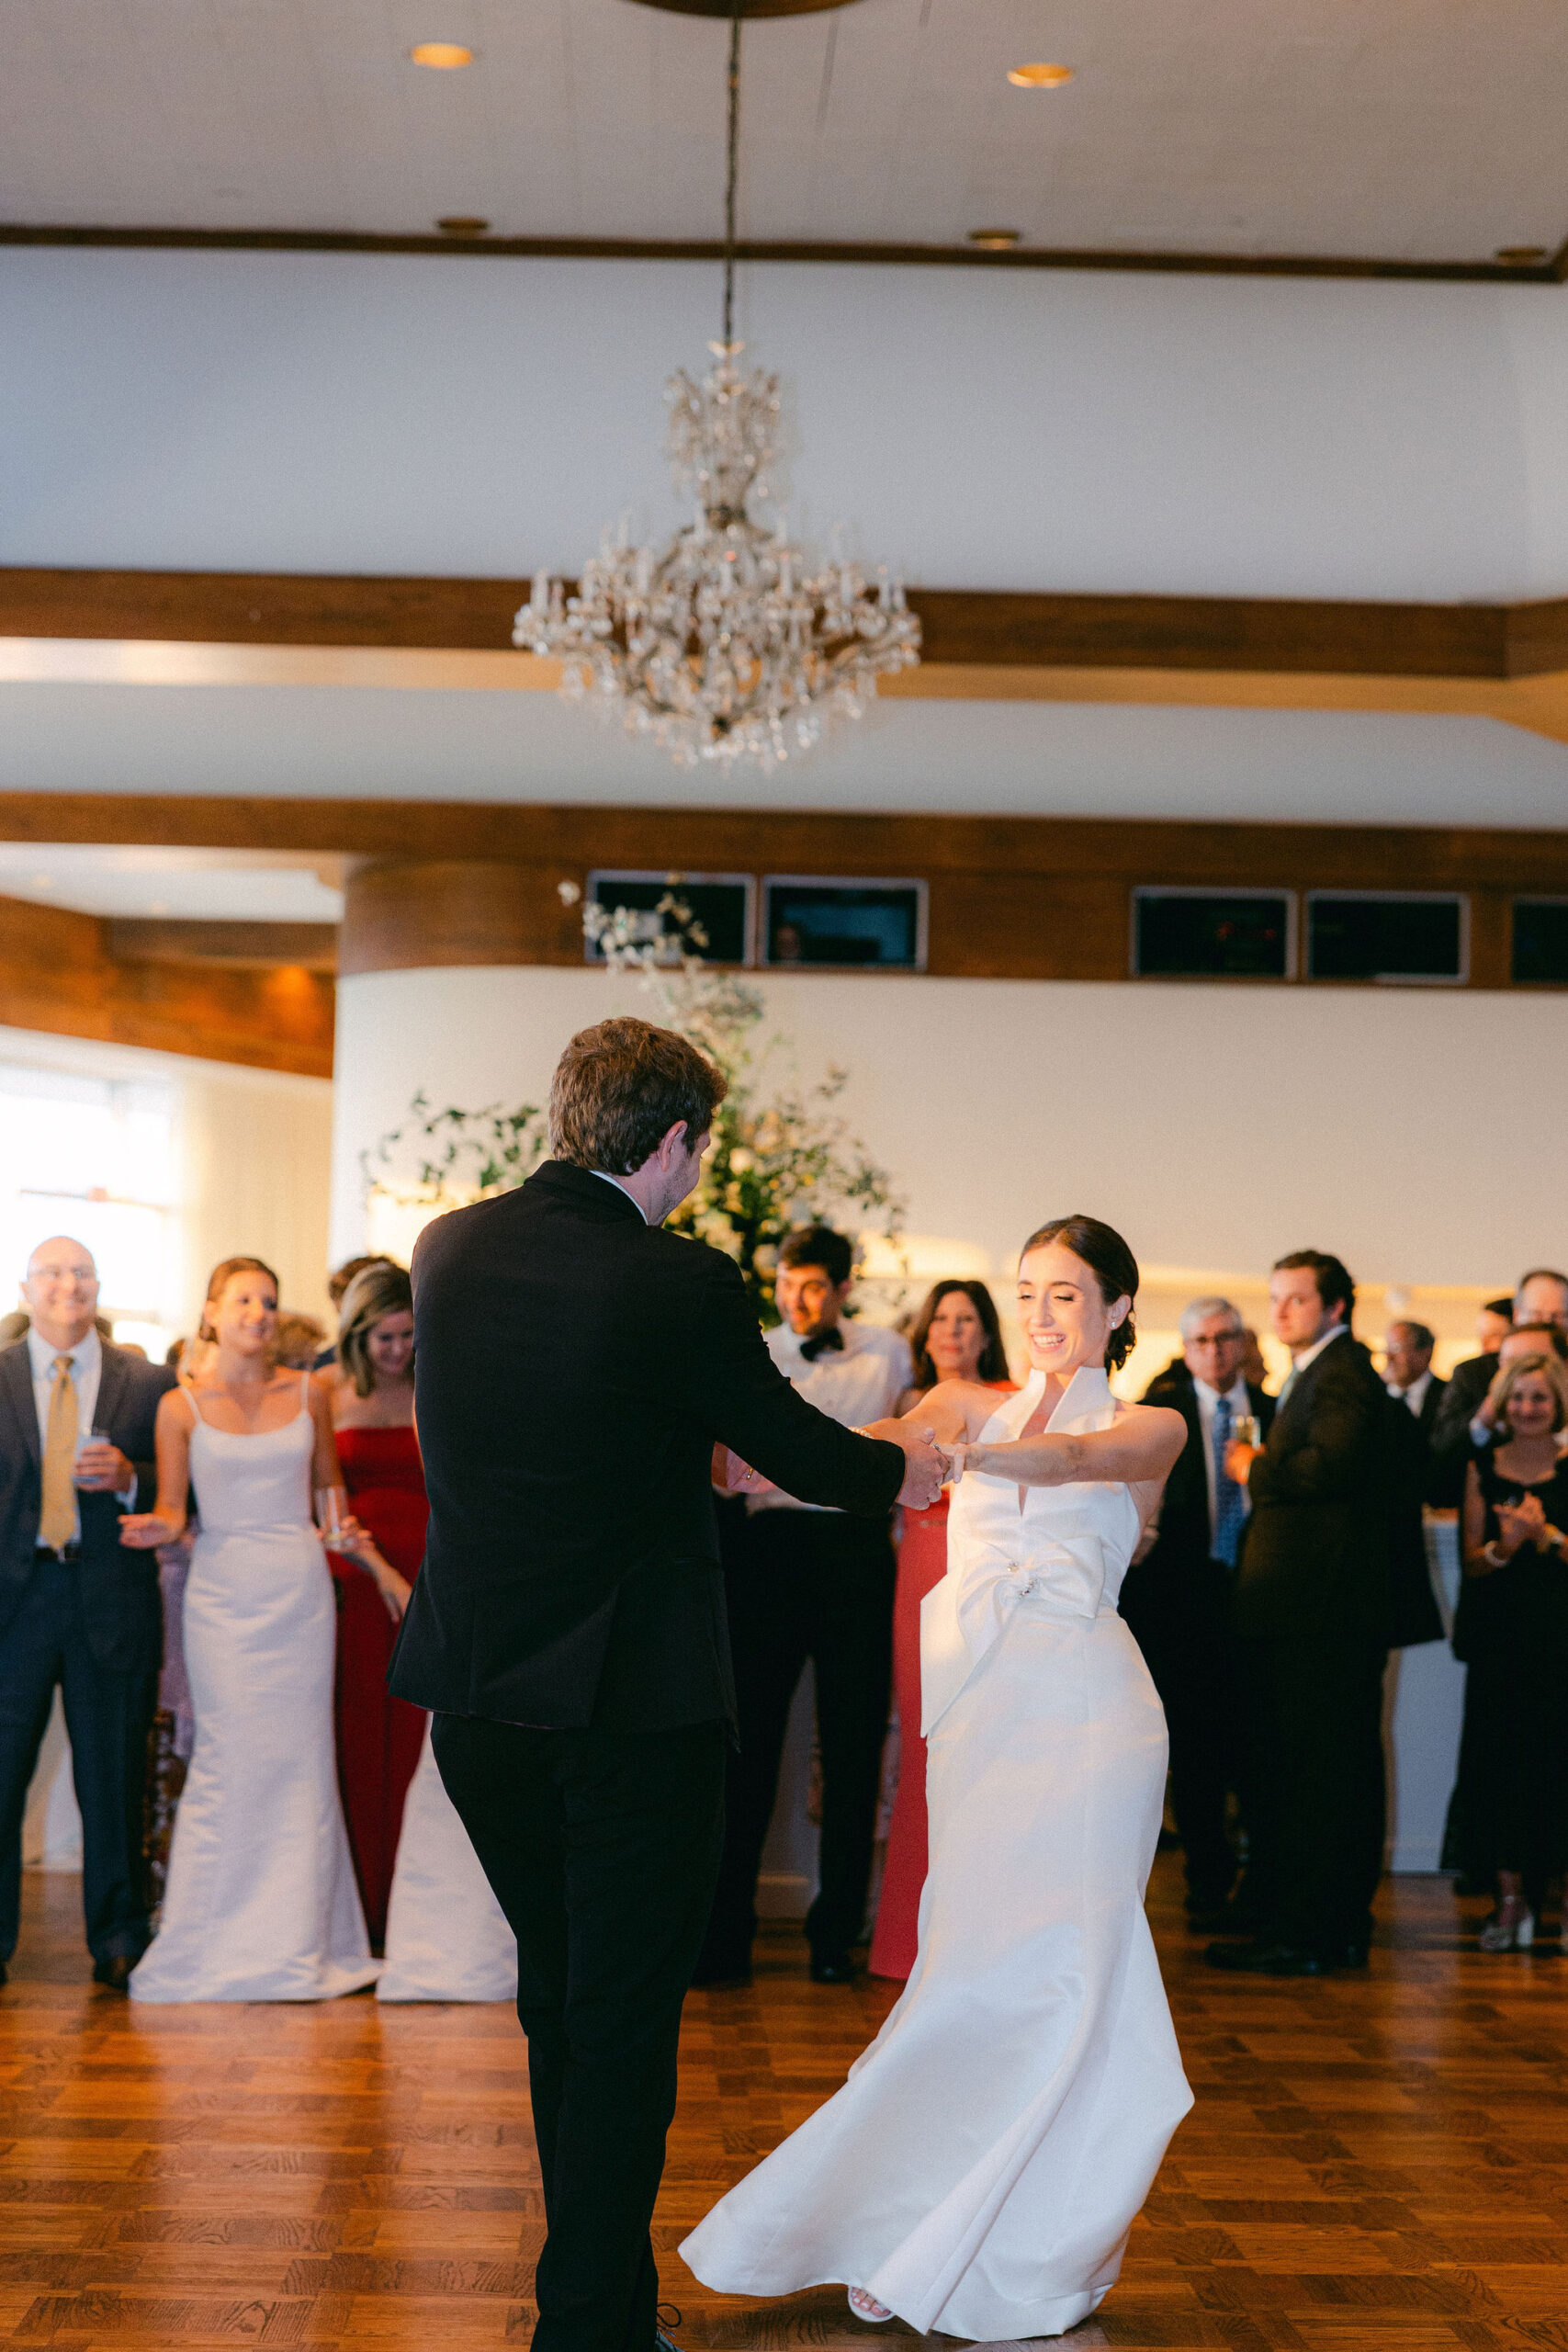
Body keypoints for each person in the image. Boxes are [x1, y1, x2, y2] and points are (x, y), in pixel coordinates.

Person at [388, 1017, 942, 2352]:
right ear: (678, 1140)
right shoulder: (677, 1283)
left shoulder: (446, 1249)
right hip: (630, 1712)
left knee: (562, 1999)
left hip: (475, 1702)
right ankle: (584, 2322)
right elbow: (800, 1453)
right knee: (622, 2024)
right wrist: (910, 1465)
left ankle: (601, 2303)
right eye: (701, 1146)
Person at [682, 1215, 1190, 2341]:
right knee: (970, 1968)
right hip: (983, 1715)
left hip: (1092, 1713)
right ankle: (912, 2225)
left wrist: (969, 1460)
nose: (1043, 1314)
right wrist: (759, 1457)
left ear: (1115, 1307)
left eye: (1066, 1294)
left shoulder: (1153, 1421)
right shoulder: (963, 1404)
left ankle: (1022, 2244)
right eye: (1029, 1293)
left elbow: (1076, 1462)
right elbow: (872, 1446)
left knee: (1069, 1969)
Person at [118, 1255, 399, 2001]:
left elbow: (332, 1508)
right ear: (212, 1311)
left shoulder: (310, 1394)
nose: (259, 1312)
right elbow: (178, 1513)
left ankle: (302, 1945)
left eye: (269, 1301)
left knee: (300, 1763)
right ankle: (213, 1944)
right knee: (225, 1760)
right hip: (220, 1596)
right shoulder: (180, 1406)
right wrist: (154, 1525)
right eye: (243, 1299)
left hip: (297, 1595)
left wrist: (381, 1570)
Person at [694, 1225, 914, 1989]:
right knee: (745, 1746)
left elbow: (900, 1452)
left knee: (852, 1748)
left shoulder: (887, 1352)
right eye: (787, 1283)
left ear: (845, 1287)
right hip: (767, 1554)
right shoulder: (748, 1349)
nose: (797, 1298)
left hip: (854, 1552)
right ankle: (724, 1938)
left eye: (813, 1284)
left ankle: (834, 1939)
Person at [1208, 1250, 1398, 1976]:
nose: (1280, 1311)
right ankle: (1331, 1927)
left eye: (1295, 1299)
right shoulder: (1322, 1369)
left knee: (1318, 1773)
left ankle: (1308, 1932)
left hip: (1319, 1611)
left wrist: (1249, 1469)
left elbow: (1330, 1467)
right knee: (1329, 1769)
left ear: (1334, 1308)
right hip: (1317, 1609)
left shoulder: (1340, 1371)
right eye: (1275, 1298)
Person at [0, 1238, 175, 1989]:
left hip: (110, 1599)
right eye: (52, 1273)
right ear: (25, 1288)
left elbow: (190, 1489)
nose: (67, 1285)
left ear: (98, 1288)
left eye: (81, 1274)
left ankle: (118, 1938)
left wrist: (135, 1478)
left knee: (113, 1775)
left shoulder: (150, 1382)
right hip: (16, 1601)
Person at [867, 1279, 1014, 1982]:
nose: (953, 1331)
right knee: (924, 1746)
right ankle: (905, 1945)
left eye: (967, 1319)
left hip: (990, 1573)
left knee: (989, 1748)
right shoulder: (906, 1409)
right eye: (942, 1319)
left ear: (986, 1332)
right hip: (920, 1566)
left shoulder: (1015, 1401)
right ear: (925, 1334)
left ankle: (981, 1942)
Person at [1120, 1296, 1273, 1925]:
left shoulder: (1275, 1412)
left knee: (1262, 1750)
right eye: (1201, 1340)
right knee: (1196, 1754)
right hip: (1180, 1609)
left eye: (1224, 1337)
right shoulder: (1161, 1418)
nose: (1213, 1349)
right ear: (1185, 1350)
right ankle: (1208, 1887)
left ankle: (1263, 1884)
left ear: (1242, 1343)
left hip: (1262, 1601)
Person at [318, 1261, 421, 1946]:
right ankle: (360, 1913)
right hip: (351, 1580)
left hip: (429, 1580)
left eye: (409, 1336)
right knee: (354, 1742)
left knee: (419, 1745)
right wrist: (367, 1564)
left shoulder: (440, 1384)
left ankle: (412, 1912)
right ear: (357, 1334)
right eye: (383, 1338)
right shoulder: (322, 1390)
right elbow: (322, 1501)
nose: (397, 1352)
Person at [1456, 1351, 1568, 1951]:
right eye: (1517, 1398)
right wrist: (1504, 1545)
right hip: (1500, 1646)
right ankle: (1509, 1904)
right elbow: (1472, 1565)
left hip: (1560, 1647)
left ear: (1556, 1405)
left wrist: (1545, 1538)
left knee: (1558, 1773)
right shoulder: (1480, 1465)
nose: (1526, 1409)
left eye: (1538, 1398)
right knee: (1498, 1772)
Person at [1429, 1269, 1568, 1503]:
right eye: (1536, 1315)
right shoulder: (1474, 1374)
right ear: (1517, 1313)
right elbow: (1440, 1458)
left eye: (1557, 1317)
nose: (1546, 1324)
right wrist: (1484, 1419)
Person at [1384, 1318, 1446, 1439]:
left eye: (1396, 1348)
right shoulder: (1376, 1394)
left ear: (1425, 1354)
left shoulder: (1448, 1394)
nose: (1388, 1357)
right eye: (1388, 1348)